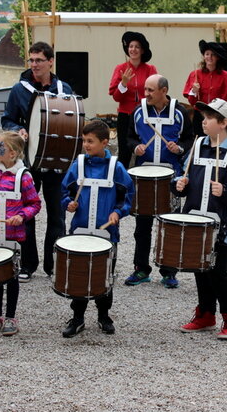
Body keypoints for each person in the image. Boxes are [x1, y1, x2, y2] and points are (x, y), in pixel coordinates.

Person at [173, 98, 227, 339]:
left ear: (224, 123)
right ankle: (206, 314)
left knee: (221, 273)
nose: (204, 122)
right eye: (204, 117)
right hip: (195, 222)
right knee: (200, 270)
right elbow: (184, 175)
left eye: (209, 118)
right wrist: (179, 185)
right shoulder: (199, 145)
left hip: (222, 226)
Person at [2, 41, 72, 281]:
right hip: (29, 161)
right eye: (31, 60)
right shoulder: (19, 89)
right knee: (27, 213)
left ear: (50, 62)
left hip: (56, 161)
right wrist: (18, 130)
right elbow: (7, 119)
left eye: (39, 60)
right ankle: (27, 264)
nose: (34, 65)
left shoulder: (64, 89)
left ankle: (53, 266)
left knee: (56, 214)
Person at [60, 120, 134, 338]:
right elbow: (65, 191)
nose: (86, 145)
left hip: (106, 233)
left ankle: (104, 315)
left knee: (104, 276)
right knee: (79, 275)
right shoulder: (78, 165)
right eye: (84, 140)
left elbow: (128, 196)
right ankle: (78, 317)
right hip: (80, 230)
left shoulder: (117, 168)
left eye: (90, 141)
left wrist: (118, 212)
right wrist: (69, 204)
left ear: (104, 142)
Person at [125, 74, 193, 288]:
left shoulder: (180, 112)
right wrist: (135, 147)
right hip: (144, 176)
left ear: (163, 91)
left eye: (150, 90)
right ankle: (141, 269)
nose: (146, 94)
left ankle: (169, 271)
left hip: (170, 176)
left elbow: (189, 139)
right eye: (145, 89)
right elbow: (128, 137)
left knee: (170, 225)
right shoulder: (138, 111)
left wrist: (179, 148)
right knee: (142, 226)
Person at [0, 131, 41, 336]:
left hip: (14, 237)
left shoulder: (24, 177)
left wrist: (21, 216)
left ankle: (11, 317)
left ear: (12, 153)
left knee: (11, 277)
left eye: (0, 146)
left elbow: (34, 204)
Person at [109, 31, 158, 169]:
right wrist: (123, 84)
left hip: (145, 115)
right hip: (125, 115)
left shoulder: (150, 69)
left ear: (142, 50)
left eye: (137, 46)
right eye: (131, 46)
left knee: (146, 150)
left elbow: (156, 92)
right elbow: (116, 97)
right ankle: (121, 185)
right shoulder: (120, 69)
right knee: (124, 153)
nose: (133, 49)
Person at [183, 40, 227, 136]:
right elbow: (192, 101)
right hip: (199, 116)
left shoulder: (226, 76)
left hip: (217, 116)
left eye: (213, 55)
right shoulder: (195, 74)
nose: (209, 57)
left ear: (217, 57)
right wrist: (194, 91)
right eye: (207, 54)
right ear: (204, 56)